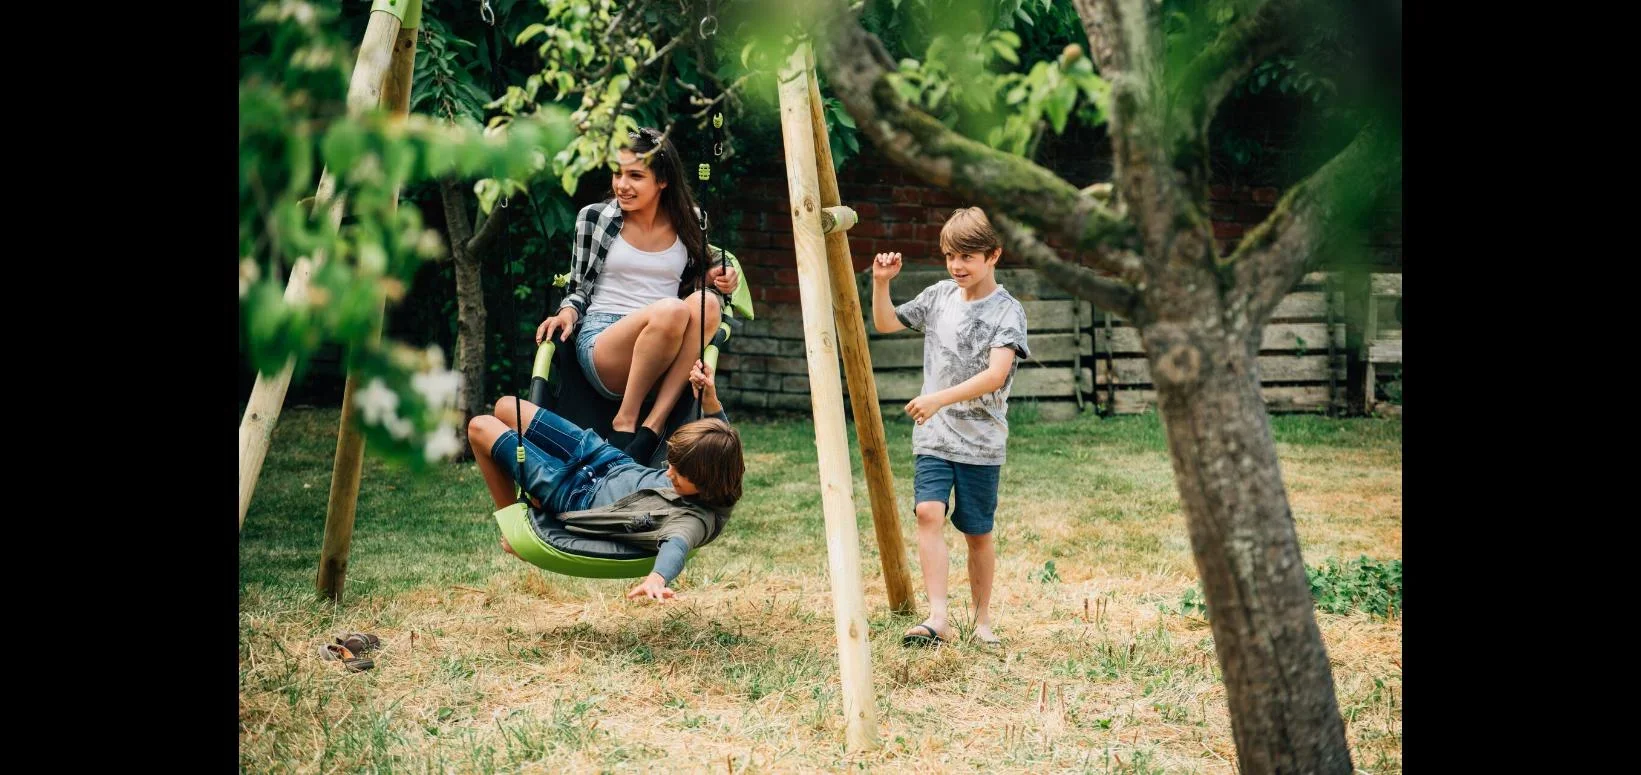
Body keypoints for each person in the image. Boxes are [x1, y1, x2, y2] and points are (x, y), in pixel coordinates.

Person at [870, 207, 1031, 646]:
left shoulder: (1007, 311)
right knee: (928, 512)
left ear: (993, 255)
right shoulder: (939, 295)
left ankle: (981, 622)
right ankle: (937, 617)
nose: (956, 266)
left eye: (967, 257)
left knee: (977, 533)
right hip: (935, 436)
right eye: (949, 256)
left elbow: (995, 375)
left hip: (981, 442)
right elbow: (885, 323)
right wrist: (882, 283)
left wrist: (938, 398)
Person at [535, 126, 739, 464]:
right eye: (617, 173)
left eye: (635, 176)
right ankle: (625, 421)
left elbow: (708, 267)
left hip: (666, 349)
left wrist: (721, 274)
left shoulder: (691, 220)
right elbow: (578, 287)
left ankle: (652, 427)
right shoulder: (595, 218)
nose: (621, 185)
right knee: (671, 309)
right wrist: (567, 312)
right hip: (605, 343)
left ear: (663, 181)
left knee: (707, 304)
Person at [468, 359, 743, 601]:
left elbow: (677, 546)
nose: (668, 473)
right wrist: (710, 398)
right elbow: (722, 435)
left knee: (479, 427)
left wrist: (657, 578)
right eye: (671, 465)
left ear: (705, 481)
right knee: (507, 407)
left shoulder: (693, 521)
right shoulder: (723, 467)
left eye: (678, 474)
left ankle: (514, 526)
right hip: (604, 457)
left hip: (572, 491)